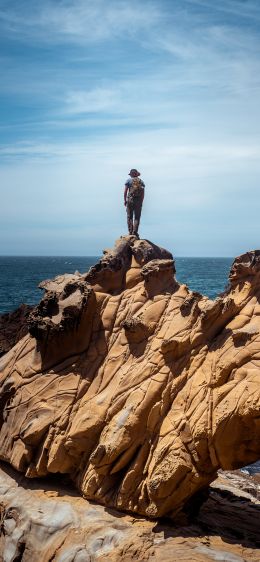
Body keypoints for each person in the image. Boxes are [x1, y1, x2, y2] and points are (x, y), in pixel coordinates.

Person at [124, 169, 145, 236]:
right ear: (136, 174)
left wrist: (125, 200)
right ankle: (135, 232)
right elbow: (143, 194)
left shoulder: (128, 180)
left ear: (131, 174)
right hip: (138, 201)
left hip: (130, 200)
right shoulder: (141, 181)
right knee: (137, 217)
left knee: (129, 216)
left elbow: (125, 191)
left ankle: (130, 232)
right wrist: (141, 202)